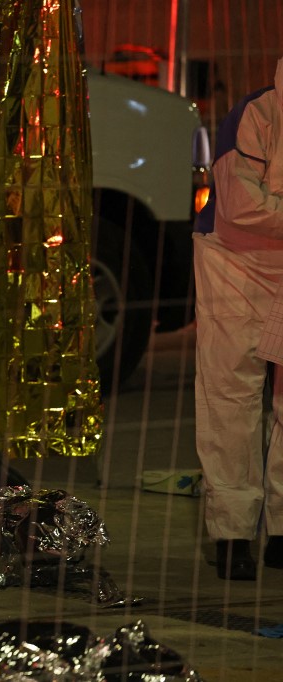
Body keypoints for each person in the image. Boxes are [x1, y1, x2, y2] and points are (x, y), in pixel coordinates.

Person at [192, 58, 283, 580]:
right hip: (234, 263)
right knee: (231, 396)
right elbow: (241, 204)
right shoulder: (256, 112)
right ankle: (233, 537)